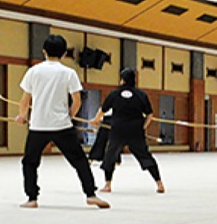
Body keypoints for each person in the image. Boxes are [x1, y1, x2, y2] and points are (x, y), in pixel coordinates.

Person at [16, 35, 110, 209]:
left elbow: (25, 100)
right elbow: (77, 101)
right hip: (62, 126)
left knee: (30, 162)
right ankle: (91, 194)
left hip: (38, 126)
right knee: (79, 160)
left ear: (44, 51)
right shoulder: (69, 73)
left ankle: (32, 198)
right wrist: (69, 116)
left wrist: (22, 116)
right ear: (64, 53)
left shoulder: (33, 71)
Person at [95, 68, 164, 193]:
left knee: (110, 156)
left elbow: (103, 110)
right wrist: (143, 127)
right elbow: (149, 115)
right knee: (145, 156)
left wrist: (95, 120)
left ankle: (108, 185)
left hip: (118, 131)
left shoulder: (114, 94)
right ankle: (159, 183)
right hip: (135, 131)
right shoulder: (141, 95)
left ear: (122, 80)